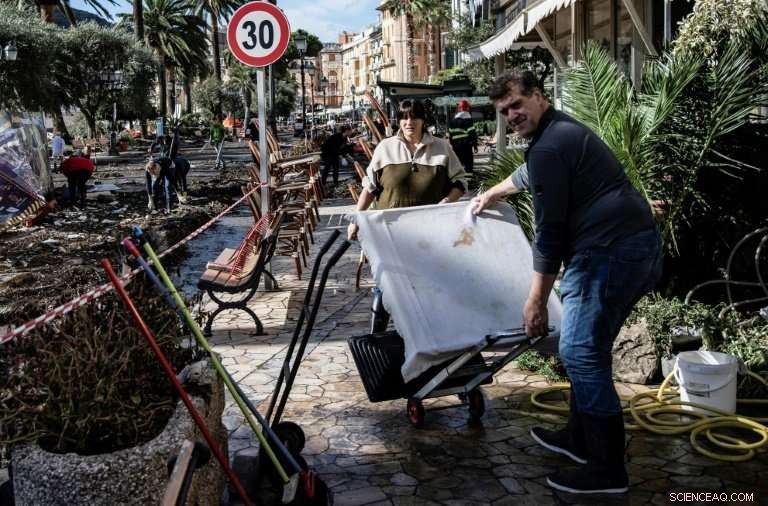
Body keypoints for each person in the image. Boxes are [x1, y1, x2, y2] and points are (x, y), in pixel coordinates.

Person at [472, 71, 662, 495]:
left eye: (517, 105)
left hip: (610, 254)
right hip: (631, 247)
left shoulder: (551, 144)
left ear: (538, 96)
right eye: (504, 111)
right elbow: (529, 173)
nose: (511, 115)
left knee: (579, 351)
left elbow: (550, 234)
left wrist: (535, 300)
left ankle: (607, 469)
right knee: (587, 350)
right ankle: (580, 439)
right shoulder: (557, 132)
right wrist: (494, 192)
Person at [348, 99, 468, 332]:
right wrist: (357, 218)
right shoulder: (386, 148)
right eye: (404, 117)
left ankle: (431, 334)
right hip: (389, 232)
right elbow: (370, 187)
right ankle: (377, 336)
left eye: (414, 117)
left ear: (424, 120)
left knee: (428, 284)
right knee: (386, 284)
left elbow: (460, 182)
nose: (409, 122)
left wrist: (446, 201)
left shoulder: (442, 148)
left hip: (429, 233)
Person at [447, 99, 478, 173]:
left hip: (456, 147)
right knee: (468, 164)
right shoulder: (468, 120)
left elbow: (450, 136)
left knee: (458, 164)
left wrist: (452, 145)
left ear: (459, 109)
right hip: (466, 146)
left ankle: (460, 178)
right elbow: (472, 134)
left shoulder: (452, 122)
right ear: (467, 108)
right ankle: (468, 179)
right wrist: (475, 145)